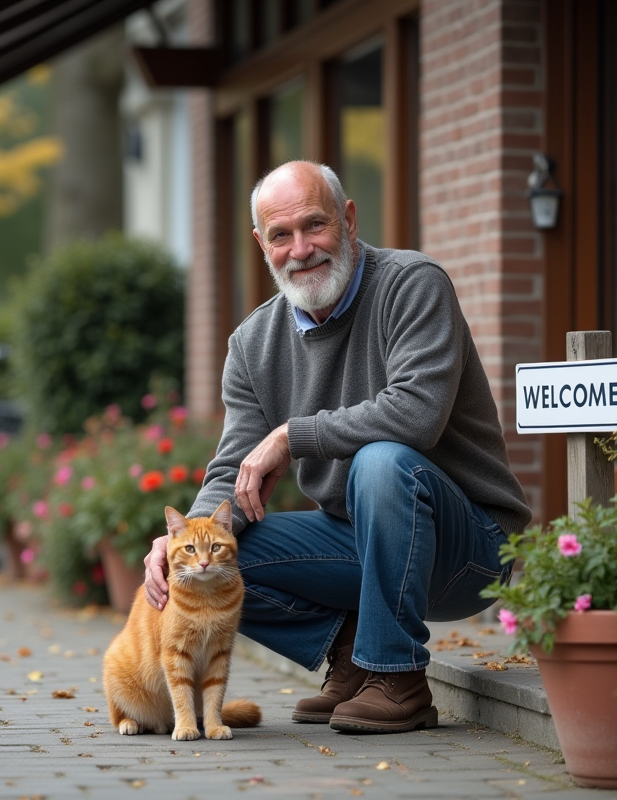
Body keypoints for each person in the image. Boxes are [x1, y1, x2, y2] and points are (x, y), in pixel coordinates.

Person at [143, 160, 531, 734]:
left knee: (381, 462)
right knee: (213, 561)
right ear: (261, 244)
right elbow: (233, 467)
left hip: (468, 549)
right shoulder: (253, 343)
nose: (301, 249)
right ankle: (352, 656)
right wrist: (186, 536)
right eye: (281, 235)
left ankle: (396, 675)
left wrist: (292, 435)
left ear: (348, 220)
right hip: (360, 545)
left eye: (314, 226)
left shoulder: (413, 285)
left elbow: (416, 415)